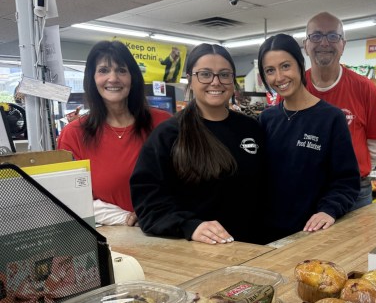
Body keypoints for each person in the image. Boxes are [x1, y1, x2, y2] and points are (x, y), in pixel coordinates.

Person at [130, 43, 266, 244]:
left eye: (224, 74)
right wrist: (190, 226)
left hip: (254, 247)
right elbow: (149, 204)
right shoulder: (168, 134)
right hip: (198, 253)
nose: (215, 82)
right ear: (190, 80)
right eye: (205, 74)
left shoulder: (251, 128)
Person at [57, 40, 170, 226]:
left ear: (132, 77)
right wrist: (125, 218)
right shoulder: (74, 134)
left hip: (167, 233)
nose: (113, 78)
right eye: (103, 70)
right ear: (92, 79)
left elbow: (185, 181)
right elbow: (70, 201)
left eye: (121, 70)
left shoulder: (163, 124)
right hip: (111, 243)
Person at [258, 33, 359, 238]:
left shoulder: (331, 118)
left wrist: (329, 210)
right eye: (270, 70)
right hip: (267, 235)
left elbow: (346, 181)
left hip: (311, 233)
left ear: (299, 64)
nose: (279, 77)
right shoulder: (266, 119)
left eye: (285, 66)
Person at [304, 12, 376, 209]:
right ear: (305, 44)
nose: (324, 42)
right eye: (316, 36)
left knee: (359, 241)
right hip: (306, 190)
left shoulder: (365, 88)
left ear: (343, 45)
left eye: (333, 36)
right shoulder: (294, 88)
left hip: (355, 194)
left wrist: (351, 173)